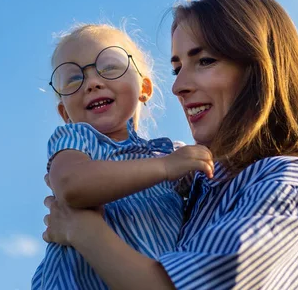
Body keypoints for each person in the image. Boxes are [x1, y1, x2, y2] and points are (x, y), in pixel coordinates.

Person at [41, 0, 298, 289]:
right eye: (177, 67)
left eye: (204, 61)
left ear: (260, 70)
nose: (178, 86)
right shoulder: (196, 184)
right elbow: (75, 183)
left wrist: (80, 229)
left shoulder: (287, 181)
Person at [31, 24, 215, 290]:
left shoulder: (171, 153)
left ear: (145, 87)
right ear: (65, 113)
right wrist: (165, 167)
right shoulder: (78, 141)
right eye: (72, 79)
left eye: (110, 66)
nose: (92, 83)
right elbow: (72, 185)